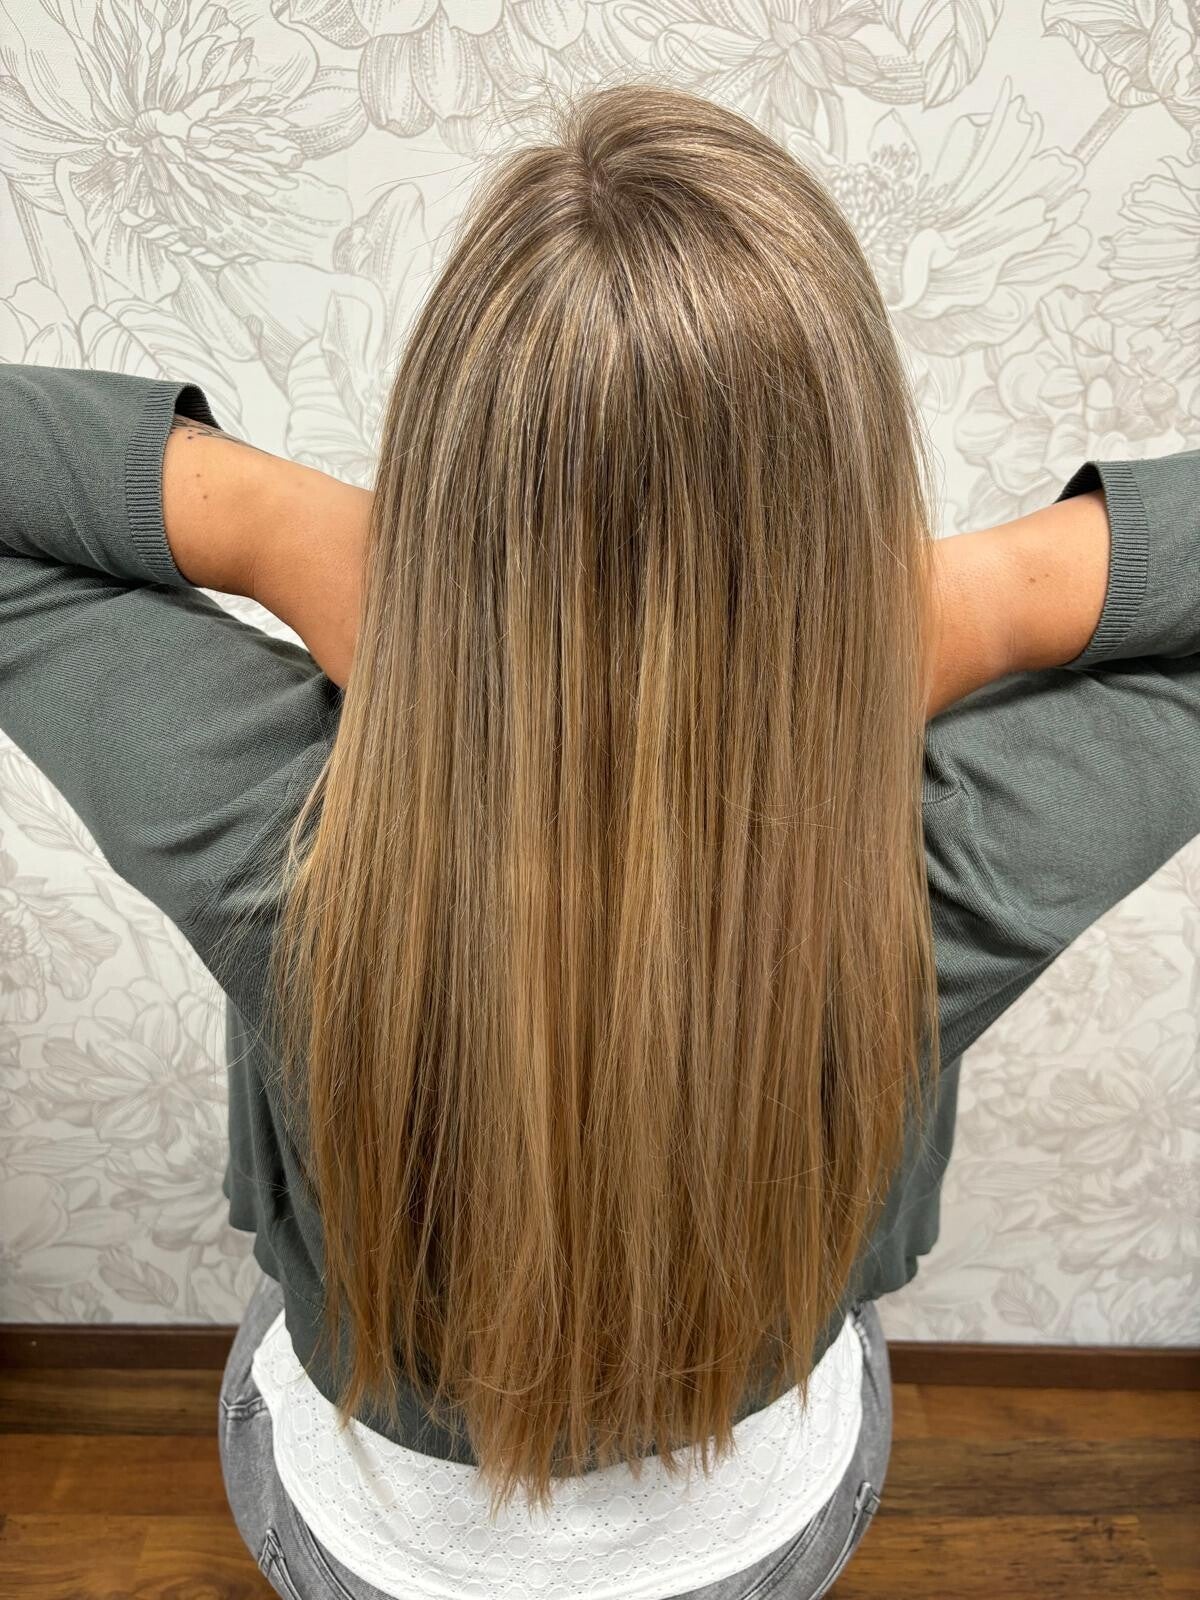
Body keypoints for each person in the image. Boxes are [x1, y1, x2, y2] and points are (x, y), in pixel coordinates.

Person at [0, 80, 1195, 1600]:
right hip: (749, 1539)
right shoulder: (937, 874)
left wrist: (279, 531)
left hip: (366, 1542)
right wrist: (987, 603)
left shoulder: (273, 826)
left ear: (442, 488)